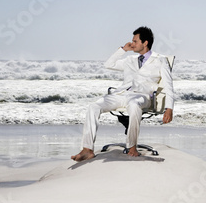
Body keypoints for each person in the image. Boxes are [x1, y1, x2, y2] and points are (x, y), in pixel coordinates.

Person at [71, 26, 175, 162]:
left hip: (142, 96)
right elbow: (109, 64)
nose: (132, 43)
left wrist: (169, 108)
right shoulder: (129, 60)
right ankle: (87, 149)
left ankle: (132, 146)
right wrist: (123, 50)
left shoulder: (160, 60)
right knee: (93, 106)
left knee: (133, 105)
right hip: (122, 94)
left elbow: (168, 85)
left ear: (145, 43)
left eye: (135, 41)